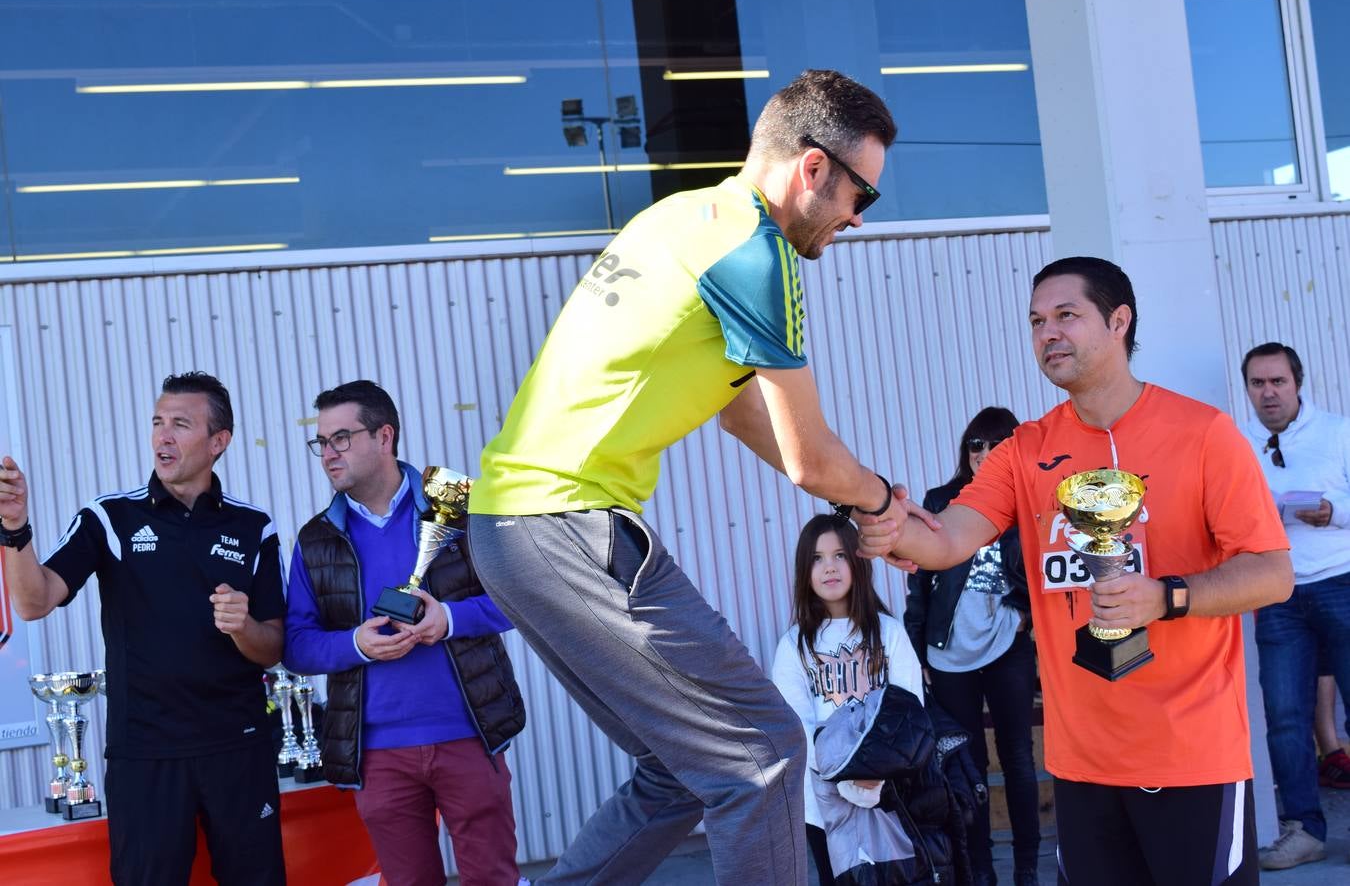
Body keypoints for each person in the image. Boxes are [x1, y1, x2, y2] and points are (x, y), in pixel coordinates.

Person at [468, 69, 913, 885]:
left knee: (681, 769)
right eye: (863, 195)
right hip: (569, 523)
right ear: (813, 168)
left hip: (515, 529)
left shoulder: (682, 217)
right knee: (767, 755)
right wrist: (883, 504)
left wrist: (867, 506)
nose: (857, 218)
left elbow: (746, 414)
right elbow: (811, 457)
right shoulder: (757, 253)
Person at [857, 257, 1294, 886]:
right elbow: (950, 537)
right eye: (1036, 321)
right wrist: (890, 523)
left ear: (1120, 321)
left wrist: (1165, 597)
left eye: (1067, 315)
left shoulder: (1204, 435)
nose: (1047, 333)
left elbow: (1272, 574)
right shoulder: (1025, 449)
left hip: (1191, 755)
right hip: (1083, 764)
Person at [0, 372, 286, 885]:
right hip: (145, 753)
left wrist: (243, 627)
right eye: (157, 422)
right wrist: (15, 529)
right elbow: (34, 601)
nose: (163, 436)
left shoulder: (255, 527)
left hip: (238, 747)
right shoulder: (110, 518)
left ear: (218, 441)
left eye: (181, 424)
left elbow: (273, 648)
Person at [283, 380, 525, 886]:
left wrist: (450, 620)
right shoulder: (315, 538)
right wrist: (355, 644)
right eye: (321, 442)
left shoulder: (456, 501)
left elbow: (519, 595)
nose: (327, 454)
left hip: (469, 734)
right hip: (377, 753)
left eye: (341, 438)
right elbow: (298, 644)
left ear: (384, 435)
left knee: (493, 880)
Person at [906, 406, 1039, 886]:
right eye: (975, 445)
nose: (983, 454)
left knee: (1018, 757)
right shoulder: (941, 502)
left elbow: (1045, 572)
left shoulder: (1029, 504)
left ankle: (1026, 869)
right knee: (967, 762)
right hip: (948, 654)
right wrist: (918, 650)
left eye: (996, 444)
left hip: (1009, 649)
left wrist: (1025, 613)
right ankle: (978, 870)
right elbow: (919, 585)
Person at [1238, 341, 1350, 870]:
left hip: (1341, 581)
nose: (1268, 393)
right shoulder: (1239, 446)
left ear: (1297, 384)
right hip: (1278, 593)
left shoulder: (1336, 431)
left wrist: (1334, 511)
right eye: (1258, 384)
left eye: (1277, 382)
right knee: (1284, 716)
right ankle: (1304, 828)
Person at [771, 514, 924, 884]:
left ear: (857, 561)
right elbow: (794, 725)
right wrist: (843, 774)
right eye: (817, 558)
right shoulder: (794, 645)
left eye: (840, 555)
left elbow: (909, 709)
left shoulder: (888, 633)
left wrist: (874, 775)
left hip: (888, 789)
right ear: (804, 571)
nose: (829, 568)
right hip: (822, 798)